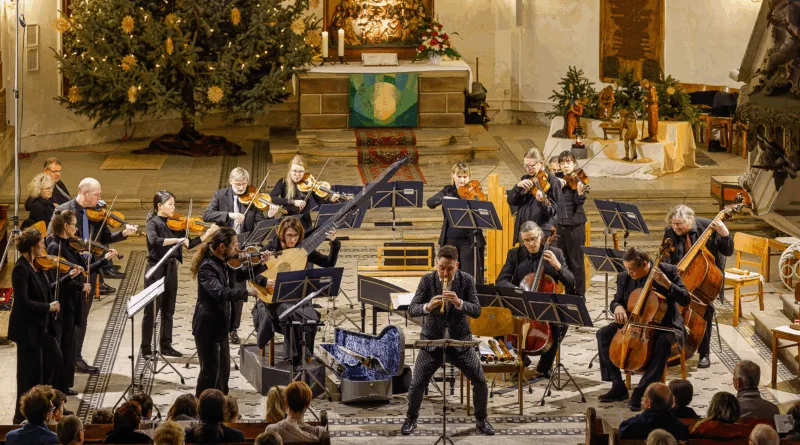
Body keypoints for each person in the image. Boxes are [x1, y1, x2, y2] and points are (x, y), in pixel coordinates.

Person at [400, 245, 494, 436]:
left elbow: (476, 310)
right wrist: (427, 306)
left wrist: (459, 303)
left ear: (457, 266)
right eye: (442, 268)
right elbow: (412, 309)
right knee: (417, 382)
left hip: (460, 343)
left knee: (481, 381)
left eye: (449, 269)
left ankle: (481, 420)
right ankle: (411, 419)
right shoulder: (427, 280)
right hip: (432, 342)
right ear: (436, 264)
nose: (445, 273)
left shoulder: (466, 280)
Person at [55, 178, 139, 373]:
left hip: (90, 270)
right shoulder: (63, 210)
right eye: (96, 194)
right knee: (68, 317)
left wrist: (124, 233)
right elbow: (55, 239)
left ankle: (76, 357)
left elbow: (107, 237)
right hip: (69, 271)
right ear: (84, 193)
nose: (100, 199)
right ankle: (63, 357)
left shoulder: (99, 213)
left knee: (83, 316)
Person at [596, 247, 690, 411]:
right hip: (635, 322)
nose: (629, 273)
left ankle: (641, 391)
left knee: (662, 345)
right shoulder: (625, 277)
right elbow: (616, 300)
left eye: (632, 269)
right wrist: (617, 307)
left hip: (666, 325)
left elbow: (685, 298)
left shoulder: (668, 271)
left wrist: (667, 284)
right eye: (627, 269)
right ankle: (617, 385)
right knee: (603, 334)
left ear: (645, 264)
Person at [203, 167, 275, 345]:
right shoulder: (220, 196)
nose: (242, 187)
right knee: (220, 290)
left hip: (242, 253)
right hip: (221, 251)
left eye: (244, 184)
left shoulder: (253, 198)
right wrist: (230, 215)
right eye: (238, 184)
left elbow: (260, 224)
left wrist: (269, 216)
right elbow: (207, 214)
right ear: (230, 182)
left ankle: (233, 329)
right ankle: (219, 325)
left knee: (238, 291)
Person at [190, 227, 266, 396]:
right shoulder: (207, 268)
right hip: (207, 328)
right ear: (222, 247)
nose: (237, 249)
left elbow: (240, 275)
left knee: (223, 372)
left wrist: (261, 263)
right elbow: (220, 293)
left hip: (220, 326)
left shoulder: (224, 262)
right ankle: (202, 408)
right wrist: (246, 292)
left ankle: (220, 406)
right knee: (209, 373)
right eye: (234, 245)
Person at [144, 191, 219, 358]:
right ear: (159, 206)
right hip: (155, 268)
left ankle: (166, 344)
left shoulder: (175, 224)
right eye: (170, 204)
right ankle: (146, 348)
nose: (173, 207)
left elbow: (189, 244)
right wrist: (176, 240)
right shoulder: (152, 223)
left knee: (168, 309)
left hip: (171, 268)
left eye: (174, 204)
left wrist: (206, 234)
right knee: (151, 311)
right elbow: (154, 241)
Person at [48, 210, 115, 395]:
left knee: (69, 345)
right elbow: (57, 281)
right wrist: (79, 286)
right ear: (66, 226)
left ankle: (64, 385)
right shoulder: (55, 248)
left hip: (72, 304)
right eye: (75, 225)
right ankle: (58, 386)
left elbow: (83, 270)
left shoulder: (70, 246)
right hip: (63, 305)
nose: (77, 229)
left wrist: (103, 260)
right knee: (62, 347)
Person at [256, 216, 340, 364]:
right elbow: (252, 274)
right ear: (281, 234)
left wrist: (334, 244)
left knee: (310, 316)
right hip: (273, 300)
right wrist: (265, 281)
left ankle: (301, 354)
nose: (292, 240)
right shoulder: (270, 250)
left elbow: (328, 263)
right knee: (291, 314)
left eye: (295, 236)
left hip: (297, 298)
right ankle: (296, 358)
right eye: (289, 235)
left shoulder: (302, 250)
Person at [496, 221, 574, 376]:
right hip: (522, 303)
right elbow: (501, 280)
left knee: (561, 324)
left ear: (541, 237)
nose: (531, 243)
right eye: (526, 240)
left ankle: (545, 366)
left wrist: (558, 266)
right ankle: (520, 358)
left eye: (533, 239)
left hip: (546, 305)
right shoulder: (515, 254)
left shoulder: (555, 253)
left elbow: (571, 282)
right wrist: (519, 290)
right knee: (497, 324)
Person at [662, 204, 733, 368]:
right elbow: (666, 258)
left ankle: (704, 353)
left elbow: (727, 251)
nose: (676, 228)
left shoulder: (709, 227)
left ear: (690, 220)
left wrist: (725, 234)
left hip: (704, 283)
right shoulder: (670, 232)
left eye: (679, 224)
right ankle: (668, 348)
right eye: (673, 224)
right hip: (680, 281)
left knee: (705, 311)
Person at [9, 228, 63, 423]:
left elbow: (45, 289)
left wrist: (67, 277)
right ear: (32, 247)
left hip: (42, 327)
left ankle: (48, 405)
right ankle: (21, 415)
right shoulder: (21, 269)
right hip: (28, 330)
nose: (44, 246)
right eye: (41, 244)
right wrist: (47, 307)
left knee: (54, 360)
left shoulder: (38, 265)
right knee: (28, 374)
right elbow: (23, 302)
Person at [427, 160, 486, 283]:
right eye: (459, 176)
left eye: (465, 177)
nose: (462, 180)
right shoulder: (448, 190)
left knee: (468, 276)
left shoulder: (473, 191)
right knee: (448, 275)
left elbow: (483, 211)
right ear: (453, 175)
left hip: (469, 240)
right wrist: (444, 199)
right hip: (450, 240)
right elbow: (430, 202)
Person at [269, 155, 340, 233]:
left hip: (305, 226)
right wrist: (293, 202)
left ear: (304, 171)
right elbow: (272, 198)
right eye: (294, 171)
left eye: (301, 171)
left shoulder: (309, 184)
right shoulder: (283, 182)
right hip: (287, 224)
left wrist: (332, 200)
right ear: (290, 170)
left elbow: (322, 205)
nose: (297, 174)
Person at [507, 148, 563, 246]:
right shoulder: (525, 179)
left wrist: (541, 202)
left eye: (531, 165)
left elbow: (553, 211)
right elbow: (511, 201)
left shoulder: (553, 181)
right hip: (525, 231)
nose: (528, 168)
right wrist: (518, 187)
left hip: (542, 233)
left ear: (541, 163)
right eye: (525, 165)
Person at [556, 151, 587, 297]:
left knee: (577, 263)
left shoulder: (579, 179)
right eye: (562, 163)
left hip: (575, 225)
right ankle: (569, 294)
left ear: (574, 163)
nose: (565, 166)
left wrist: (580, 194)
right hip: (560, 225)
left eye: (568, 162)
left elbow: (578, 203)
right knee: (565, 263)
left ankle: (580, 295)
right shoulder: (557, 179)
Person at [619, 383, 689, 441]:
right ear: (672, 403)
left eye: (644, 397)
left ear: (649, 402)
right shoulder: (681, 429)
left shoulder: (629, 428)